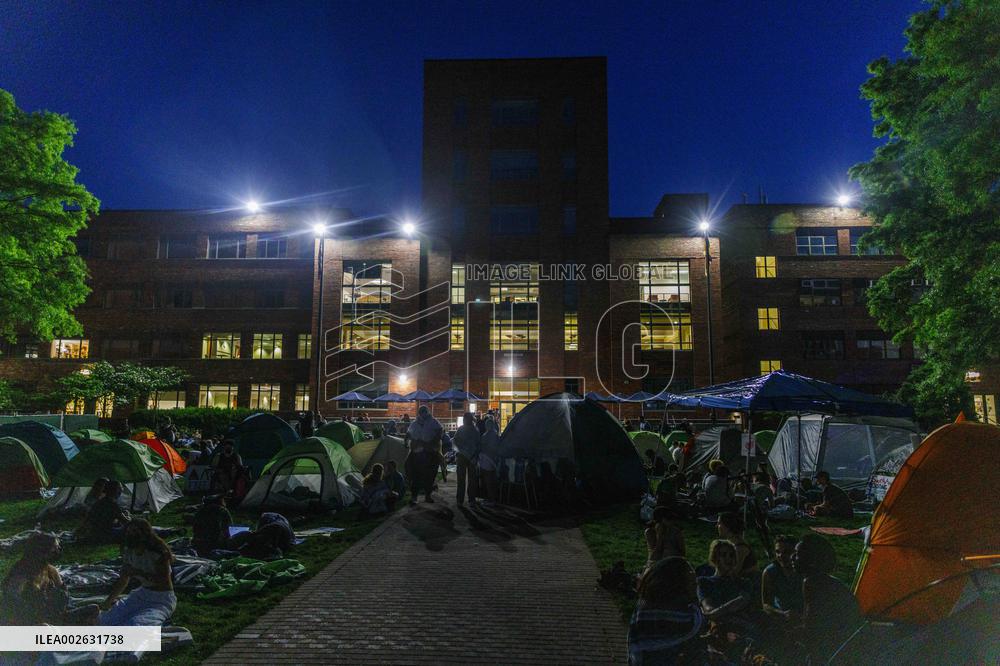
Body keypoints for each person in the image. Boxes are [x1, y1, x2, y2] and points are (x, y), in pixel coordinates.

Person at [1, 532, 99, 625]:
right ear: (42, 551)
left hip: (55, 617)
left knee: (93, 610)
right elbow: (12, 604)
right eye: (54, 549)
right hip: (30, 621)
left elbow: (63, 595)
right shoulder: (20, 574)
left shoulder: (51, 570)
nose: (57, 551)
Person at [793, 534, 862, 660]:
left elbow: (811, 626)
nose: (792, 558)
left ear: (811, 560)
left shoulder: (812, 582)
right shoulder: (824, 580)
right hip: (848, 639)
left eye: (797, 554)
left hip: (838, 646)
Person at [628, 557, 706, 665]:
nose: (696, 584)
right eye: (692, 583)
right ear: (677, 583)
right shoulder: (677, 616)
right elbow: (695, 623)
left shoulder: (646, 604)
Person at [99, 519, 176, 627]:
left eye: (135, 531)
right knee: (106, 620)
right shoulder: (129, 551)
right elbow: (123, 580)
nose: (132, 534)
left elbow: (162, 580)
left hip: (160, 599)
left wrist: (138, 572)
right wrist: (108, 601)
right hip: (141, 594)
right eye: (129, 531)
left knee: (136, 625)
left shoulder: (157, 553)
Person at [405, 405, 443, 505]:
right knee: (415, 475)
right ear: (419, 413)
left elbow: (440, 430)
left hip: (430, 452)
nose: (423, 414)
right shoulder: (415, 423)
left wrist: (433, 441)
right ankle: (414, 497)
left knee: (430, 475)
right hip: (417, 452)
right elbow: (408, 433)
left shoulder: (433, 422)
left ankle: (428, 495)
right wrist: (407, 441)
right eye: (421, 412)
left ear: (427, 412)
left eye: (424, 412)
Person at [761, 534, 803, 619]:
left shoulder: (804, 572)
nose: (781, 556)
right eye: (778, 552)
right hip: (780, 615)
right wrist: (782, 614)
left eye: (786, 552)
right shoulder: (770, 572)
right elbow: (766, 604)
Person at [716, 511, 757, 577]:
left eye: (719, 523)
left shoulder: (739, 548)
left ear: (727, 527)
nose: (716, 526)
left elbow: (733, 574)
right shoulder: (729, 542)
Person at [453, 412, 481, 506]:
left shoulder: (462, 429)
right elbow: (478, 444)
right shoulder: (474, 430)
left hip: (462, 456)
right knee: (471, 479)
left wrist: (459, 449)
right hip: (469, 457)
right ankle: (470, 499)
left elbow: (455, 441)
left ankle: (460, 500)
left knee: (462, 479)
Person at [478, 416, 500, 502]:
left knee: (488, 481)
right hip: (493, 460)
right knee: (492, 480)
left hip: (486, 460)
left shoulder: (485, 435)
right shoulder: (495, 435)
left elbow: (482, 447)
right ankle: (492, 498)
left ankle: (490, 499)